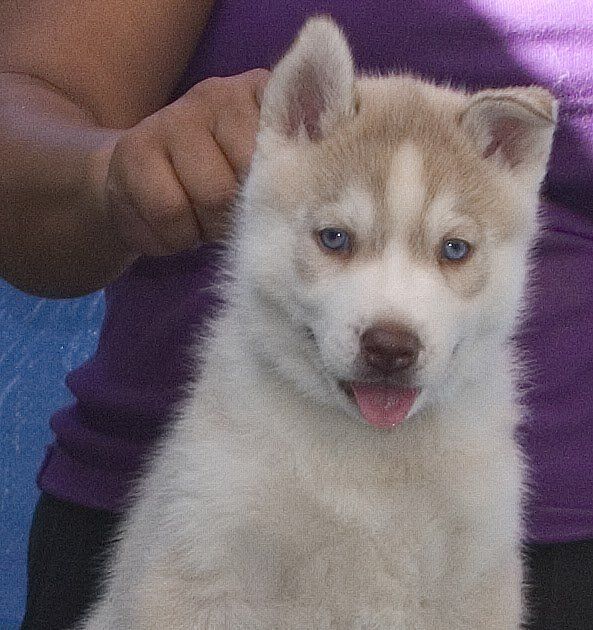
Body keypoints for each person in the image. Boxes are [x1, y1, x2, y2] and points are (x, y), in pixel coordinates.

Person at [1, 1, 592, 628]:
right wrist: (108, 169)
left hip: (565, 545)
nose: (392, 320)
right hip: (173, 473)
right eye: (336, 239)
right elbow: (34, 95)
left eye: (452, 250)